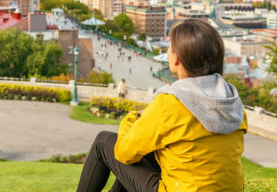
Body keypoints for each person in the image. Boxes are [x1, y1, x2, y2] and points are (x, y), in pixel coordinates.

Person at [76, 19, 247, 192]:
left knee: (103, 141)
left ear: (177, 59)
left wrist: (135, 117)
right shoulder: (231, 102)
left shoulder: (171, 104)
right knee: (148, 152)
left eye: (170, 47)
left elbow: (123, 153)